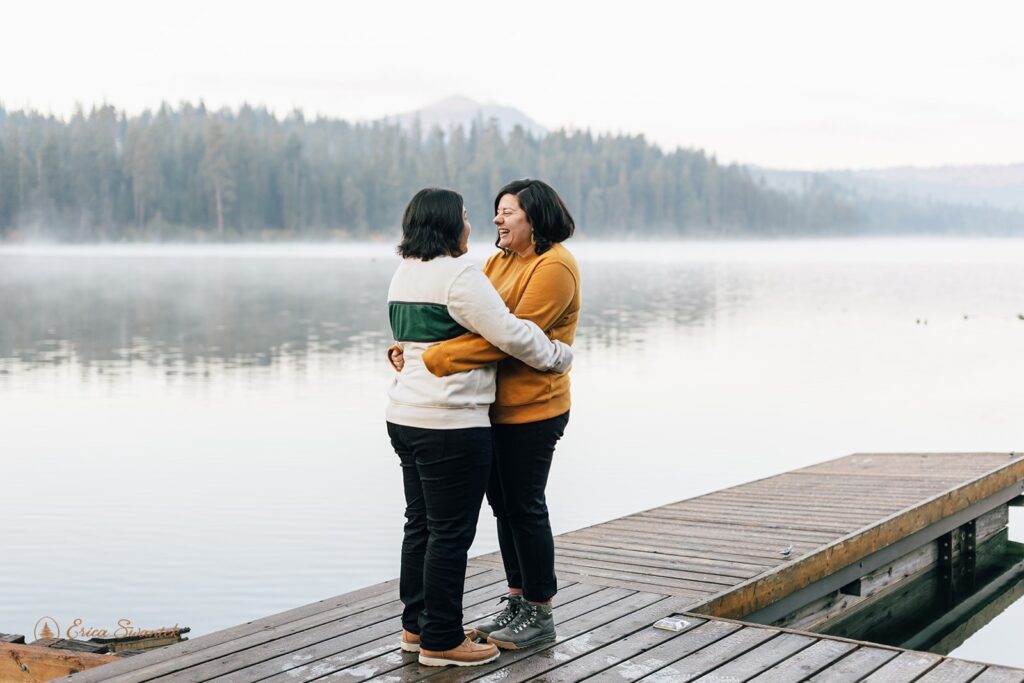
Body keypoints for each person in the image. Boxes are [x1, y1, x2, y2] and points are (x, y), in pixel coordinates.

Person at [385, 187, 573, 667]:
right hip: (450, 418)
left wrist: (420, 356)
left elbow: (420, 337)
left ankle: (417, 627)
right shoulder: (466, 273)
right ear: (450, 225)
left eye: (504, 213)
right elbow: (508, 334)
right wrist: (556, 355)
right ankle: (441, 639)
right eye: (472, 216)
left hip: (408, 413)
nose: (484, 223)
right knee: (449, 533)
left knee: (423, 526)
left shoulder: (404, 273)